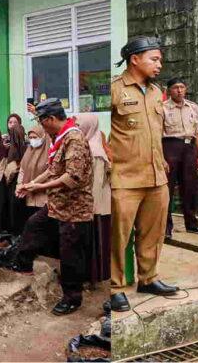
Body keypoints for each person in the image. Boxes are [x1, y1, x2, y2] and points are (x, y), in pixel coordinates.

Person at [110, 36, 179, 313]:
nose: (159, 64)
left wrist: (161, 163)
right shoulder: (114, 89)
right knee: (118, 236)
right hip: (124, 178)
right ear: (135, 59)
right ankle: (114, 287)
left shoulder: (155, 92)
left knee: (153, 233)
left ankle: (148, 278)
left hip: (156, 176)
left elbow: (156, 133)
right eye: (154, 58)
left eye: (160, 59)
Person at [14, 98, 94, 315]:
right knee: (33, 225)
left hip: (74, 208)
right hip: (57, 203)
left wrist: (41, 186)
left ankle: (72, 298)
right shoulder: (58, 138)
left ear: (50, 119)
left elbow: (72, 177)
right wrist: (32, 185)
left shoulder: (74, 138)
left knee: (70, 255)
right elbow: (53, 169)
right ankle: (23, 265)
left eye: (41, 121)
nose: (40, 125)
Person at [163, 77, 198, 237]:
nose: (179, 90)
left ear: (186, 89)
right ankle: (166, 227)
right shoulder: (162, 108)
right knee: (166, 189)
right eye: (175, 87)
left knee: (190, 187)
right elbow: (155, 133)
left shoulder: (193, 107)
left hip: (189, 148)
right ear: (169, 90)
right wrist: (161, 157)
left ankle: (192, 224)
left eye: (182, 87)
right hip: (169, 147)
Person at [76, 113, 111, 284]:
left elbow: (96, 183)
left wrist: (87, 206)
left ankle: (94, 277)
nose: (76, 129)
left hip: (95, 206)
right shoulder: (87, 145)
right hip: (89, 204)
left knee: (96, 241)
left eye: (79, 125)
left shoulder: (95, 150)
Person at [16, 126, 50, 215]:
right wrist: (19, 184)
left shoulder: (49, 152)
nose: (32, 140)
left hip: (44, 196)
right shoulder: (28, 151)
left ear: (43, 137)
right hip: (28, 196)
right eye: (30, 138)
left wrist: (32, 183)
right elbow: (22, 169)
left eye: (35, 137)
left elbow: (49, 172)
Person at [4, 124, 28, 235]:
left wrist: (8, 179)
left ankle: (15, 232)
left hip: (13, 182)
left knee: (13, 208)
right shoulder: (27, 147)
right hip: (24, 182)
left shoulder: (12, 149)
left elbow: (11, 170)